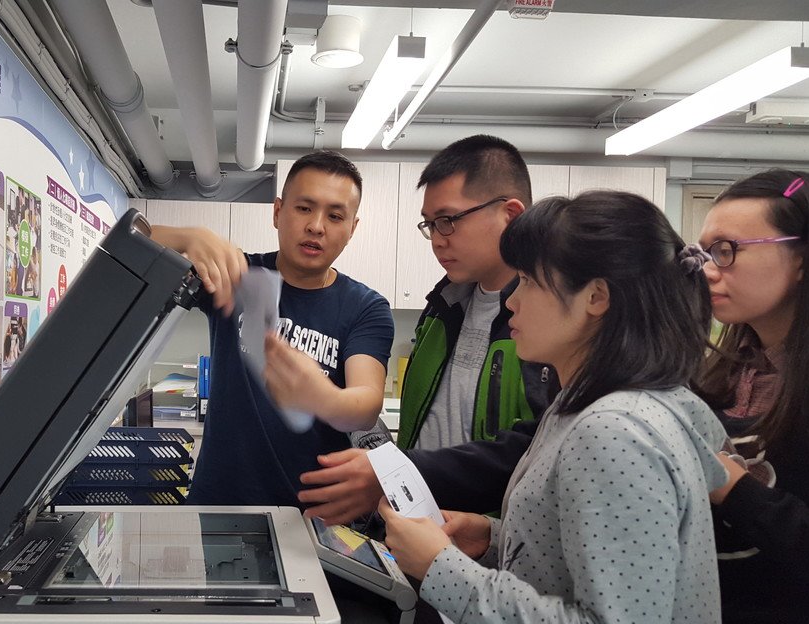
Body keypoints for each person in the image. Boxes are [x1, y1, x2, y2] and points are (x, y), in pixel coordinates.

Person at [379, 191, 726, 623]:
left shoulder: (615, 431)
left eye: (528, 280)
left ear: (595, 297)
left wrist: (441, 569)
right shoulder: (580, 403)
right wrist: (493, 538)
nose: (512, 301)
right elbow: (587, 563)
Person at [298, 135, 558, 523]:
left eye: (448, 221)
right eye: (430, 224)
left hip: (487, 542)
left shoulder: (550, 326)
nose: (437, 240)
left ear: (511, 215)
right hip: (414, 531)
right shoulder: (442, 307)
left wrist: (399, 472)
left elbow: (538, 452)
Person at [150, 150, 394, 506]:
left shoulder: (365, 307)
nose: (317, 226)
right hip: (216, 504)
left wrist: (325, 398)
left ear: (352, 228)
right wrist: (188, 237)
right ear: (278, 212)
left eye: (335, 215)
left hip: (311, 516)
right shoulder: (236, 275)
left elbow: (367, 403)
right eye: (304, 208)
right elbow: (124, 242)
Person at [694, 169, 809, 623]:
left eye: (726, 251)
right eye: (705, 253)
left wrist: (734, 488)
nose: (708, 270)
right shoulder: (720, 370)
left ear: (800, 259)